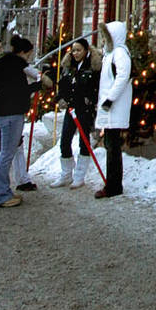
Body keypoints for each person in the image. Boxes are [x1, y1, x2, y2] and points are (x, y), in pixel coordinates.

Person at [0, 34, 43, 208]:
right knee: (6, 154)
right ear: (22, 52)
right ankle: (0, 194)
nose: (29, 59)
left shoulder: (2, 64)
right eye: (28, 55)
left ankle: (4, 190)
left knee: (6, 154)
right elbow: (20, 91)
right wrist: (37, 86)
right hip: (12, 113)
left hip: (3, 112)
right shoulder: (15, 67)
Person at [53, 37, 100, 189]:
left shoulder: (92, 67)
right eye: (73, 50)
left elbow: (96, 88)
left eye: (79, 50)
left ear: (86, 51)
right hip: (71, 109)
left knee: (83, 141)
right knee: (65, 140)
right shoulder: (69, 66)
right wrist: (60, 99)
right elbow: (62, 86)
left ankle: (79, 175)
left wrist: (90, 101)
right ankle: (66, 174)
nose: (75, 53)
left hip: (84, 110)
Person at [94, 20, 132, 200]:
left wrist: (110, 99)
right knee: (110, 145)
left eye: (105, 36)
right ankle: (112, 183)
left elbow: (122, 77)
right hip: (110, 106)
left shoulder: (120, 54)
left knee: (113, 147)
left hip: (114, 106)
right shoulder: (110, 54)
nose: (102, 40)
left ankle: (114, 185)